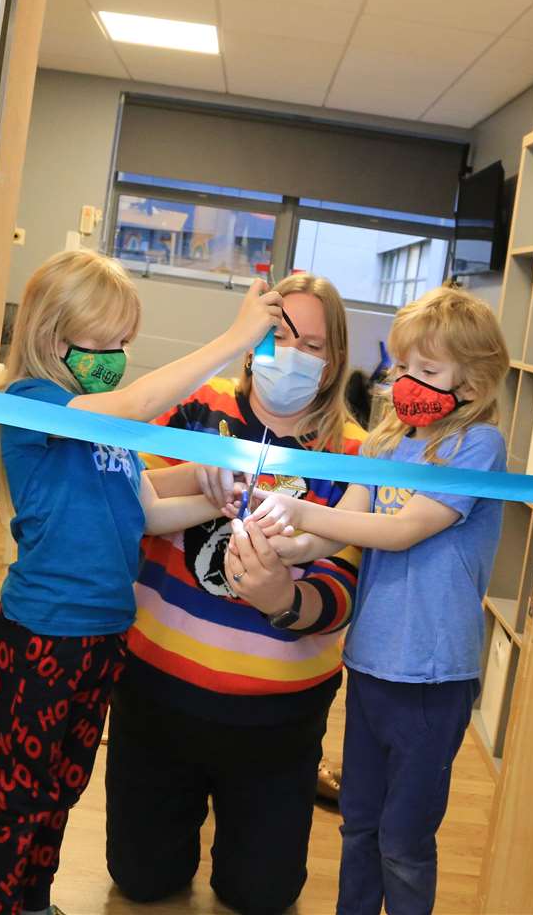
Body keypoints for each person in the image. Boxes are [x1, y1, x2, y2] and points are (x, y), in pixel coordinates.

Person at [0, 251, 281, 915]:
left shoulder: (99, 425)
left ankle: (32, 902)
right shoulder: (35, 403)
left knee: (60, 791)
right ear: (55, 338)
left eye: (124, 343)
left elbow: (144, 510)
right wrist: (232, 341)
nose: (118, 356)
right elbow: (136, 406)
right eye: (105, 343)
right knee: (22, 800)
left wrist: (222, 499)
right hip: (41, 639)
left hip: (103, 636)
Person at [233, 286, 510, 915]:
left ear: (472, 382)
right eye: (404, 365)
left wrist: (304, 513)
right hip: (371, 664)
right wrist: (282, 543)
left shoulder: (477, 447)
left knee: (405, 839)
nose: (407, 381)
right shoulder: (386, 444)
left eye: (428, 371)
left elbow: (402, 528)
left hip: (433, 675)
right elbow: (336, 528)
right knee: (358, 822)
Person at [103, 273, 366, 915]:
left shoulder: (354, 451)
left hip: (277, 722)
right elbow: (116, 491)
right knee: (141, 880)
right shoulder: (192, 406)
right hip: (157, 698)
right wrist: (190, 477)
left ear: (334, 363)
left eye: (313, 344)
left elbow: (342, 593)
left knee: (261, 897)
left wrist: (284, 599)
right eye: (278, 335)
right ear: (251, 341)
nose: (293, 354)